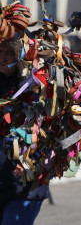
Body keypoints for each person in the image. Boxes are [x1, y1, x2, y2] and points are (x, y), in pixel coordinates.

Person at [0, 35, 49, 225]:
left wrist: (32, 163)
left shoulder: (34, 86)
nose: (2, 58)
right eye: (0, 52)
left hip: (24, 185)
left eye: (9, 53)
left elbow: (47, 133)